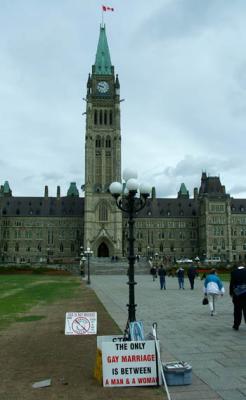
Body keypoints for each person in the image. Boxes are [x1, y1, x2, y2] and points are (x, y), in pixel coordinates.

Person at [229, 263, 246, 331]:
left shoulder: (233, 272)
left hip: (237, 294)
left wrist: (231, 292)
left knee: (237, 310)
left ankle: (236, 325)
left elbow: (232, 283)